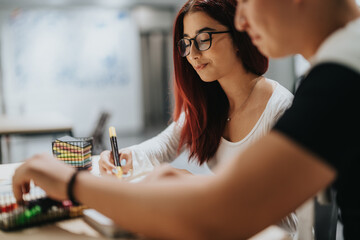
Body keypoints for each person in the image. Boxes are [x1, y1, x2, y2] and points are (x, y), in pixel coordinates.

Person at [12, 0, 360, 239]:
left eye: (248, 1)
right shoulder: (339, 68)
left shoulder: (340, 78)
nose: (242, 20)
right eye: (187, 43)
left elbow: (219, 213)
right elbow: (218, 193)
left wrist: (70, 182)